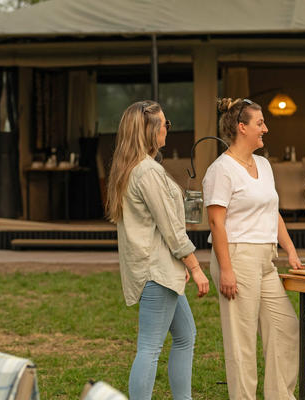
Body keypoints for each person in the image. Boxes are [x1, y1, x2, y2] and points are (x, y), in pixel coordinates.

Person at [106, 100, 210, 400]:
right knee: (150, 348)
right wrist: (195, 267)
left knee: (185, 335)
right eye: (164, 123)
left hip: (159, 269)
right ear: (149, 130)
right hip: (156, 272)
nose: (167, 128)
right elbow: (172, 230)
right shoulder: (147, 172)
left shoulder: (131, 168)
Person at [203, 98, 303, 400]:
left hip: (265, 259)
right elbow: (216, 222)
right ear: (241, 127)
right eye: (260, 123)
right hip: (236, 256)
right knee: (241, 342)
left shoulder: (263, 164)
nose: (266, 129)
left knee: (285, 327)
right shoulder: (221, 170)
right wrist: (227, 270)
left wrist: (291, 250)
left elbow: (272, 212)